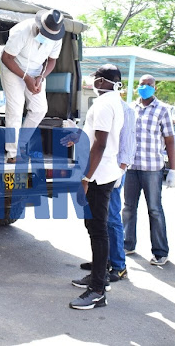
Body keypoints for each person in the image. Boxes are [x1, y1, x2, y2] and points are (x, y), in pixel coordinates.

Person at [65, 64, 125, 310]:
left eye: (95, 79)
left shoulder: (103, 104)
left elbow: (100, 144)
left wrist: (86, 177)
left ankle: (98, 290)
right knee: (95, 227)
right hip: (104, 172)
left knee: (98, 230)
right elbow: (98, 138)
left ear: (102, 81)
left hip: (98, 176)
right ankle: (97, 277)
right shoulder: (114, 101)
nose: (92, 83)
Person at [78, 96, 136, 282]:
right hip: (102, 169)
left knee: (110, 219)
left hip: (112, 171)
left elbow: (125, 143)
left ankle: (118, 266)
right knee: (99, 221)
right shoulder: (109, 105)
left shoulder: (124, 109)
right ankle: (102, 264)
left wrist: (121, 170)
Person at [122, 74, 175, 266]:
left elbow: (170, 140)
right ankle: (127, 244)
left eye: (149, 85)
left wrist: (172, 170)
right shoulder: (130, 108)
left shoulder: (162, 110)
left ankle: (160, 252)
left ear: (155, 88)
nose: (145, 87)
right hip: (131, 167)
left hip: (152, 168)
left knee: (154, 209)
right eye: (142, 84)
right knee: (128, 208)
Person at [0, 9, 65, 163]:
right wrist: (26, 78)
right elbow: (6, 57)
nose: (49, 37)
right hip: (13, 67)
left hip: (37, 70)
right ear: (39, 26)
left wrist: (40, 77)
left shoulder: (57, 37)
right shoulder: (22, 31)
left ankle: (21, 144)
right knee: (15, 110)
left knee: (40, 109)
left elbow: (52, 60)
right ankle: (12, 153)